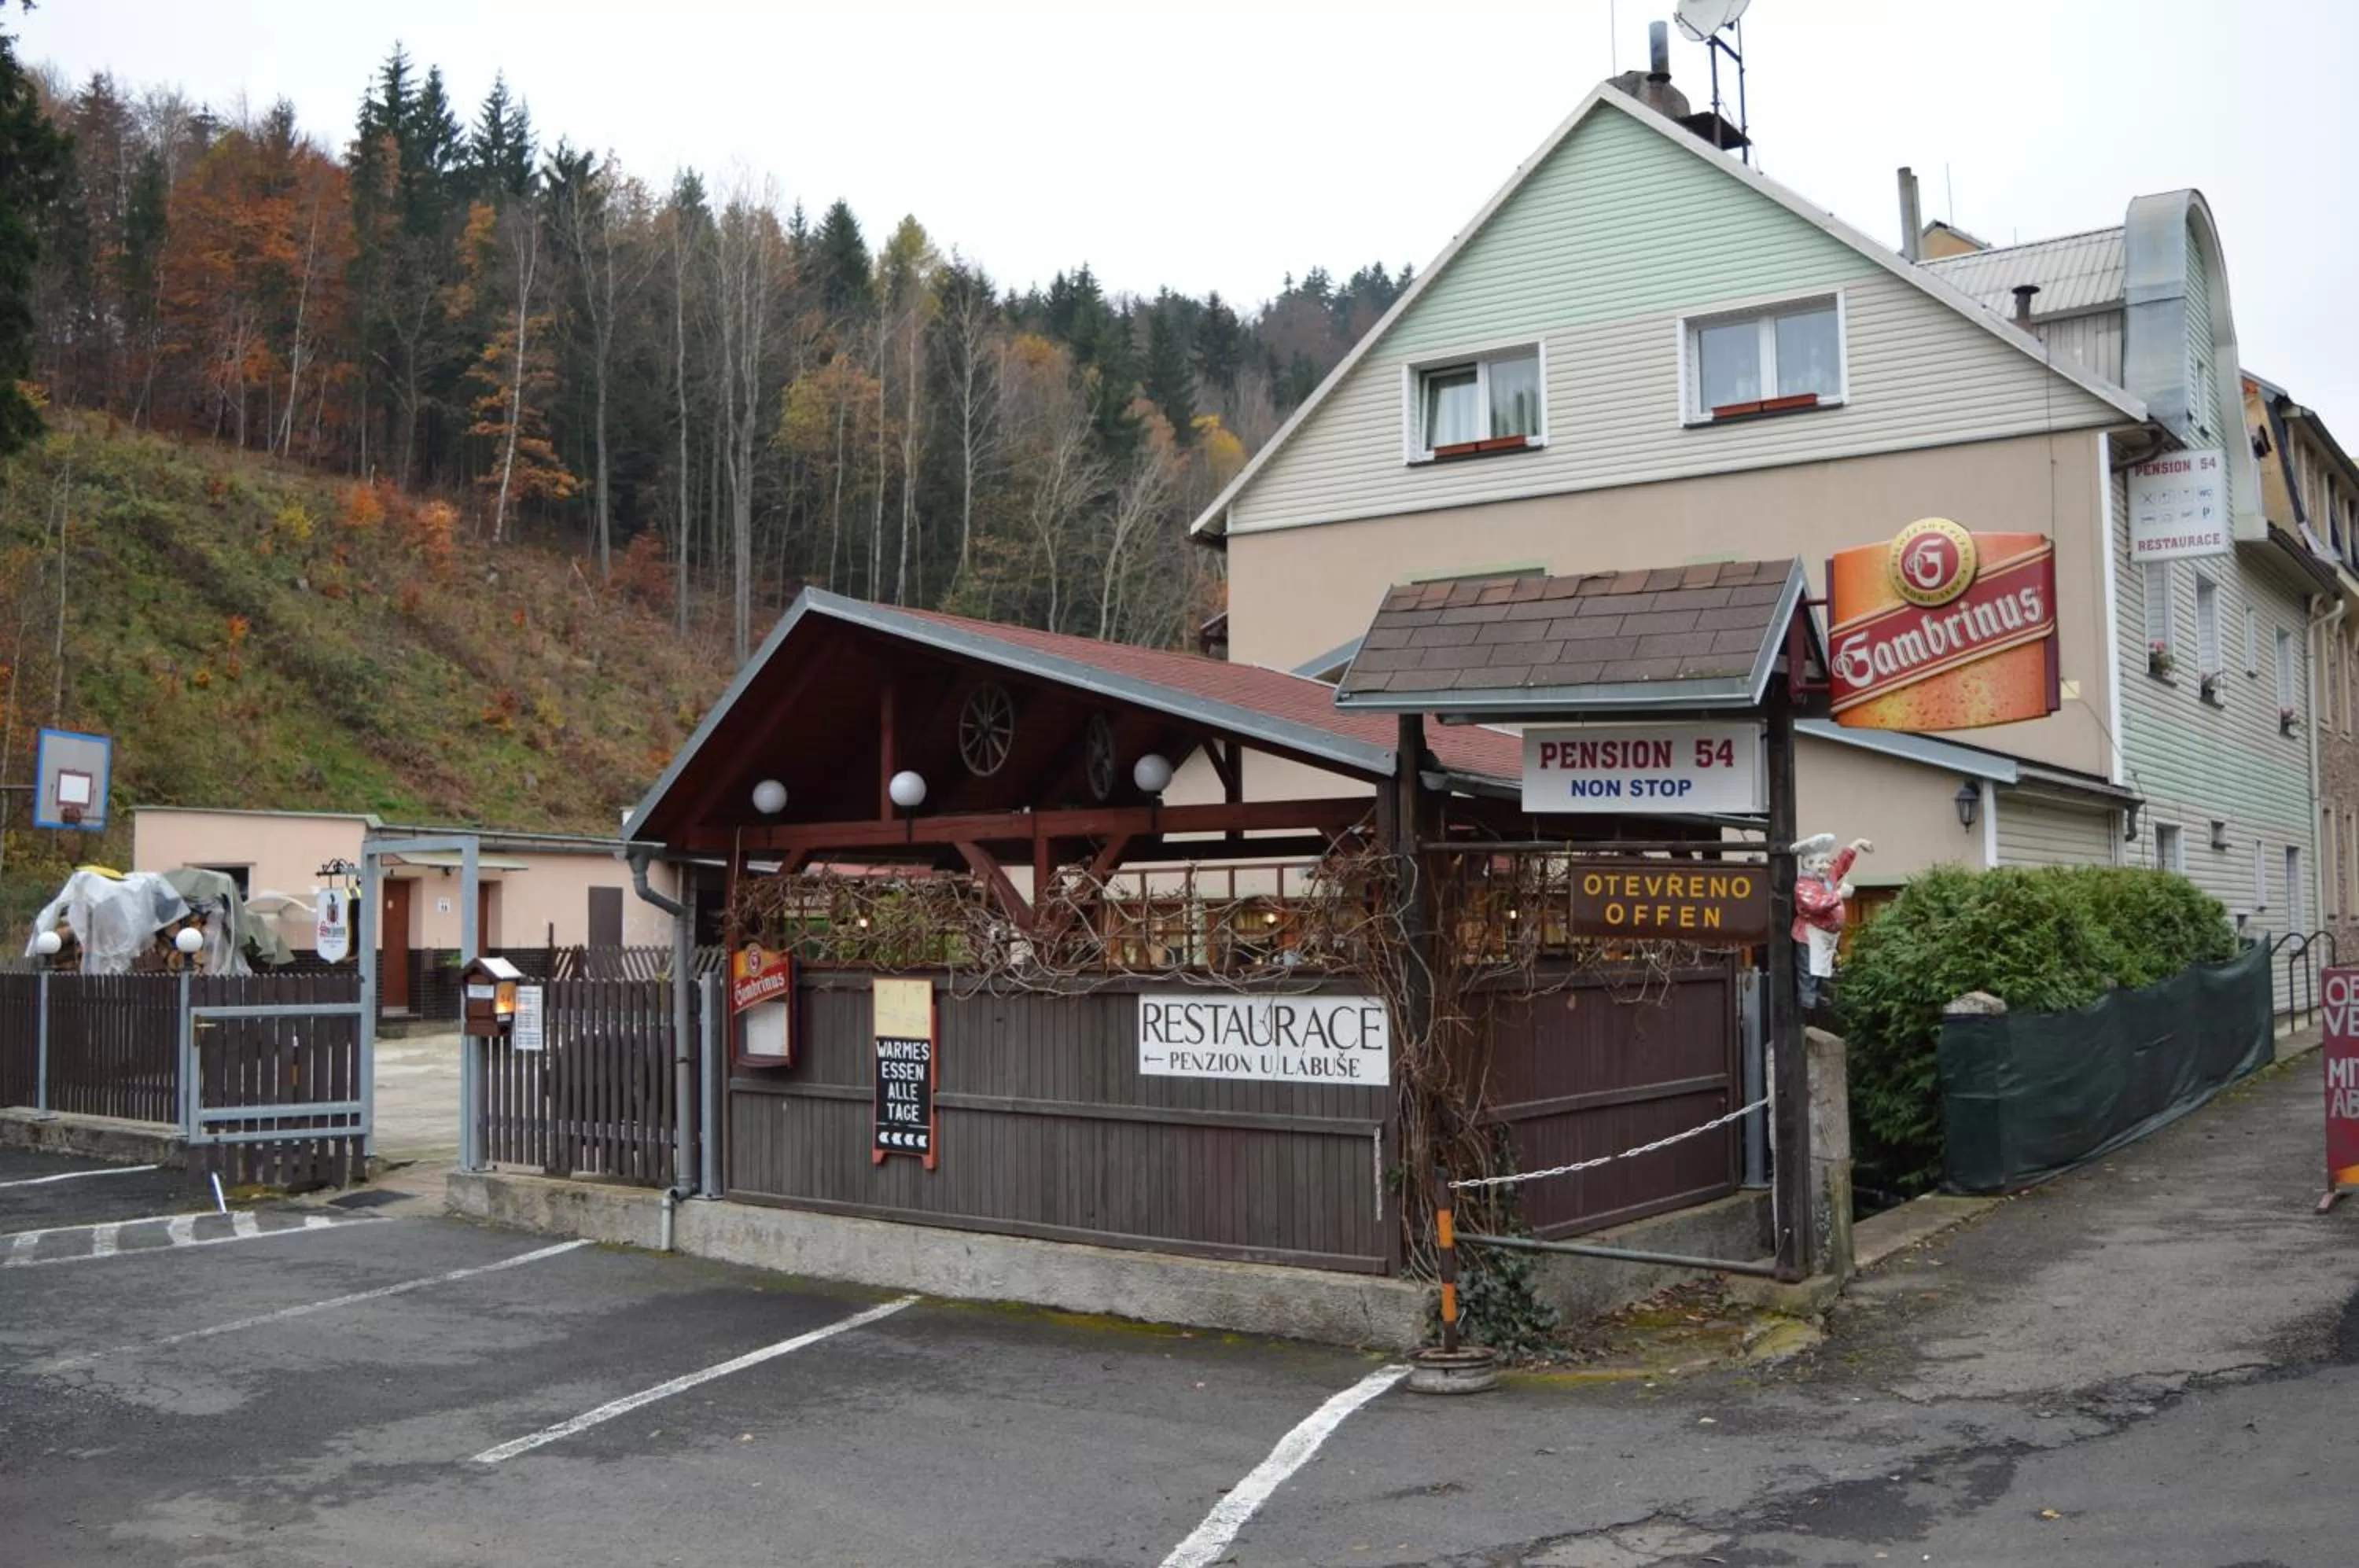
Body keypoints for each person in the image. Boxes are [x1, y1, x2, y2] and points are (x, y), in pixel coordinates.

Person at [1792, 833, 1872, 1014]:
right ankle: (1807, 997)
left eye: (1825, 862)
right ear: (1808, 864)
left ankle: (1815, 993)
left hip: (1825, 936)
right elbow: (1815, 905)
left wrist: (1857, 843)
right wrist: (1839, 895)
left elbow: (1841, 864)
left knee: (1821, 967)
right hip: (1809, 934)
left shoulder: (1828, 877)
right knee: (1809, 968)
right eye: (1819, 863)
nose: (1824, 866)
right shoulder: (1803, 885)